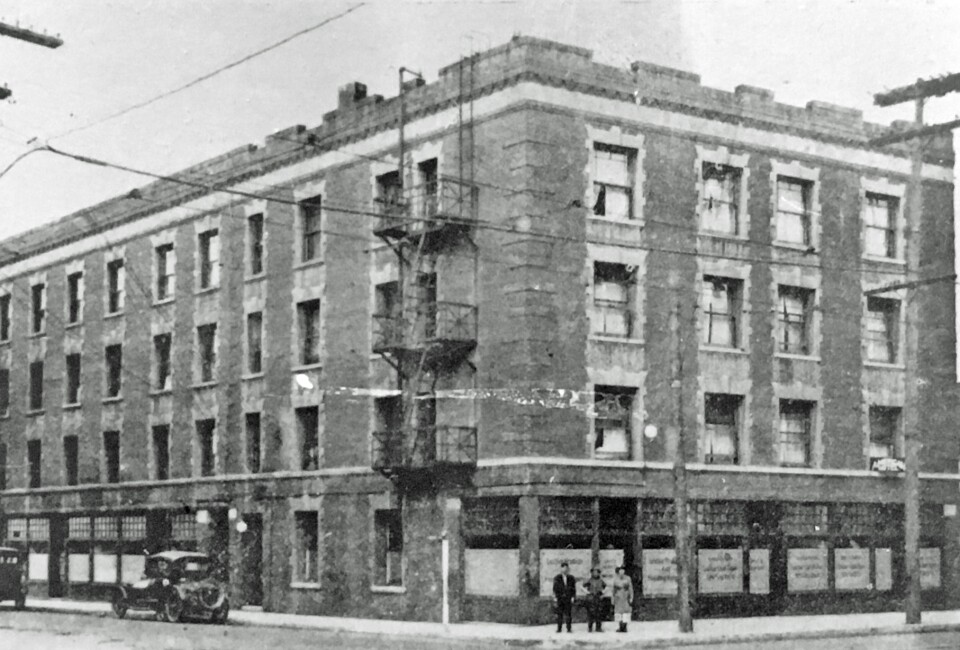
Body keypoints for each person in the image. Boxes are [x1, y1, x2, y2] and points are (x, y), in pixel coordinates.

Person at [552, 562, 576, 633]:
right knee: (560, 614)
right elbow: (555, 588)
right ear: (561, 569)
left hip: (568, 598)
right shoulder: (557, 578)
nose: (565, 570)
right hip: (560, 598)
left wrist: (573, 597)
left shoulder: (571, 578)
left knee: (568, 614)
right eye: (563, 568)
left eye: (566, 568)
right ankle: (559, 628)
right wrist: (555, 598)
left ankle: (569, 628)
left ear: (568, 569)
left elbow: (573, 589)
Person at [611, 566, 634, 633]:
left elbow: (630, 588)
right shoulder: (616, 579)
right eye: (620, 571)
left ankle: (625, 627)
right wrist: (612, 598)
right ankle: (620, 626)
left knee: (626, 612)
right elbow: (613, 589)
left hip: (625, 596)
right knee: (618, 612)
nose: (621, 572)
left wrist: (631, 597)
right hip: (618, 597)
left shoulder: (628, 578)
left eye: (623, 571)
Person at [583, 566, 606, 632]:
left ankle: (598, 628)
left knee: (599, 613)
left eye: (597, 572)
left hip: (598, 598)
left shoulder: (601, 581)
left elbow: (606, 587)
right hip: (591, 598)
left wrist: (602, 593)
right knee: (590, 613)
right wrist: (587, 592)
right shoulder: (589, 580)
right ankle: (590, 627)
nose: (595, 573)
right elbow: (582, 586)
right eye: (594, 572)